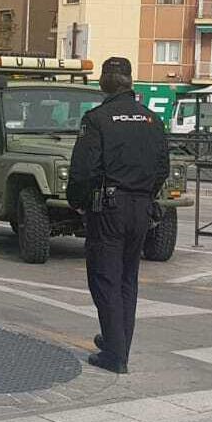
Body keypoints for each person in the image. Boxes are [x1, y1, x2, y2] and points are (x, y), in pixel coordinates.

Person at [66, 56, 170, 375]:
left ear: (105, 82)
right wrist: (145, 195)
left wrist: (78, 201)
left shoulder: (97, 119)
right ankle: (119, 342)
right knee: (128, 278)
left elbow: (84, 170)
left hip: (108, 207)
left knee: (104, 278)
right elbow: (162, 168)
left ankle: (114, 353)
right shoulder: (152, 120)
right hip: (141, 207)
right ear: (130, 81)